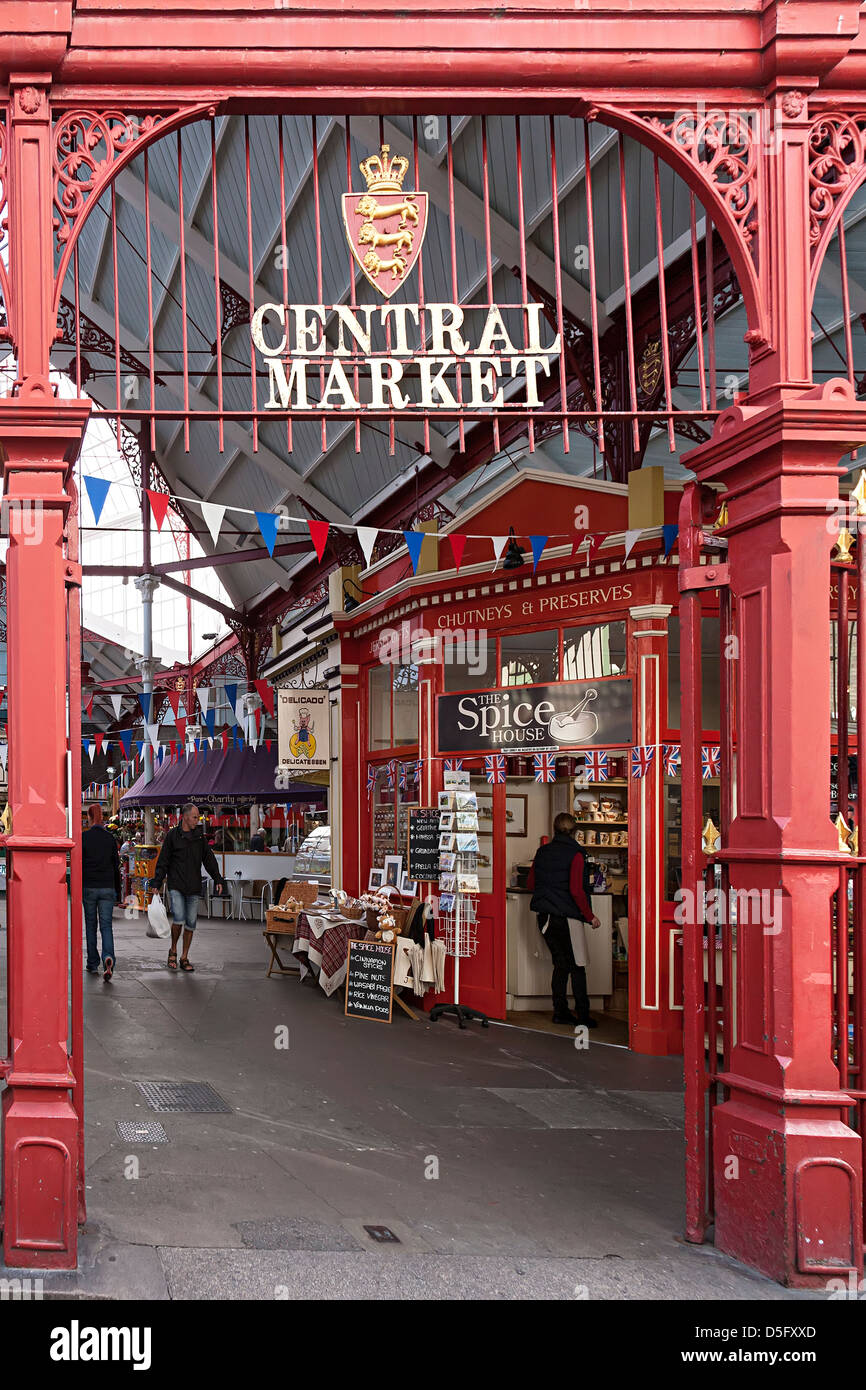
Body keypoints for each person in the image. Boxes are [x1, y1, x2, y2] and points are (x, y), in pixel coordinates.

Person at [527, 812, 601, 1027]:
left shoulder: (542, 852)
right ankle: (584, 1015)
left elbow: (531, 883)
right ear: (575, 831)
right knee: (578, 967)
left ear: (554, 829)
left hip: (546, 918)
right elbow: (577, 890)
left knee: (560, 965)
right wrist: (590, 916)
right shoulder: (576, 854)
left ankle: (560, 1012)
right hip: (568, 917)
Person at [149, 802, 227, 972]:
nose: (197, 820)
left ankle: (184, 956)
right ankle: (173, 950)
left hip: (193, 885)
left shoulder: (200, 837)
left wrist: (218, 879)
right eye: (195, 817)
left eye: (198, 817)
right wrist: (156, 882)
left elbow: (209, 860)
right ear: (184, 817)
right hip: (176, 884)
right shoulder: (172, 836)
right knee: (179, 918)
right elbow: (163, 861)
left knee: (191, 923)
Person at [82, 802, 121, 982]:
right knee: (106, 926)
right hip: (107, 887)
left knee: (91, 926)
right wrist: (118, 892)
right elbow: (116, 866)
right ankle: (109, 957)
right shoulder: (110, 838)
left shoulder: (84, 838)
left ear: (90, 818)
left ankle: (92, 962)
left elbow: (79, 864)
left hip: (89, 886)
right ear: (103, 818)